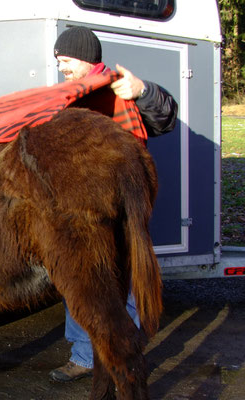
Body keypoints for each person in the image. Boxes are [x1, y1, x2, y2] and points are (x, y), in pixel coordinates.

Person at [49, 26, 178, 383]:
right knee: (80, 282)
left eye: (66, 60)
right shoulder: (66, 97)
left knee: (126, 285)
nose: (62, 68)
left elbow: (166, 117)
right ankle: (83, 356)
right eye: (58, 61)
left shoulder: (121, 85)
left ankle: (127, 357)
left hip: (122, 209)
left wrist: (144, 91)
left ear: (86, 57)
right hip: (81, 211)